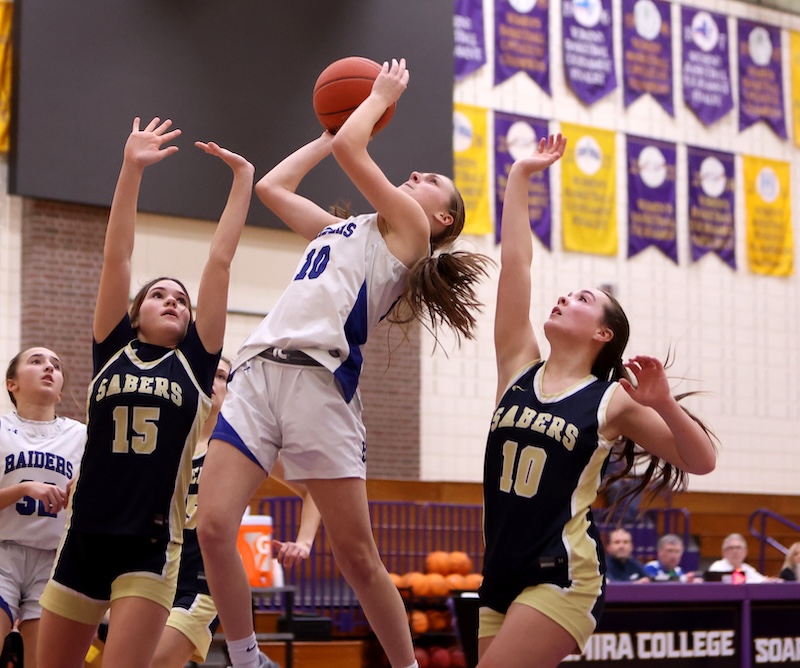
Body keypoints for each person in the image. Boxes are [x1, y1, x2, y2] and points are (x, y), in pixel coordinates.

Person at [196, 58, 489, 668]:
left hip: (320, 383)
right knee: (213, 526)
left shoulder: (410, 231)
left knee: (357, 558)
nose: (415, 174)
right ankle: (247, 658)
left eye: (430, 179)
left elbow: (356, 150)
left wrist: (377, 100)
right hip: (257, 372)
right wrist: (328, 134)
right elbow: (273, 188)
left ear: (442, 219)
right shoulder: (343, 229)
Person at [476, 132, 717, 668]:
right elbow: (516, 265)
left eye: (582, 299)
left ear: (602, 334)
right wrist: (519, 176)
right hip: (500, 569)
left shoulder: (611, 401)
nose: (564, 297)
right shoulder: (517, 366)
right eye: (567, 293)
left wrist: (664, 404)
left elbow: (700, 461)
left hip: (564, 573)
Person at [36, 116, 253, 668]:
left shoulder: (196, 364)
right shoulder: (111, 348)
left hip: (149, 545)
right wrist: (131, 168)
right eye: (159, 295)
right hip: (83, 535)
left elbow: (220, 261)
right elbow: (118, 256)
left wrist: (242, 182)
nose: (173, 299)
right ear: (136, 314)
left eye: (181, 298)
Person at [151, 357, 321, 668]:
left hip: (202, 578)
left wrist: (304, 541)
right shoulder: (165, 439)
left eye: (220, 376)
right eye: (205, 372)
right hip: (155, 570)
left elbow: (315, 490)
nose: (211, 381)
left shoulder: (242, 443)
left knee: (155, 661)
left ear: (232, 392)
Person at [0, 348, 86, 668]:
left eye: (56, 366)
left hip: (54, 561)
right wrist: (23, 489)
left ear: (60, 392)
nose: (48, 367)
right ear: (12, 384)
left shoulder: (81, 436)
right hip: (3, 553)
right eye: (36, 361)